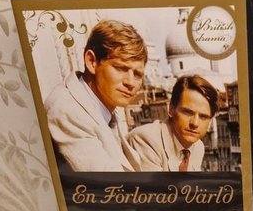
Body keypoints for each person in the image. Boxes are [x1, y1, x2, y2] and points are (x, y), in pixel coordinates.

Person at [44, 19, 147, 172]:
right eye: (120, 68)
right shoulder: (67, 110)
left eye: (137, 74)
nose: (130, 82)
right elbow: (111, 183)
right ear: (92, 61)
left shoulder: (102, 107)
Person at [127, 74, 219, 172]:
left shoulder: (198, 147)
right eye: (187, 112)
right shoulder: (145, 140)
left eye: (203, 117)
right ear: (171, 109)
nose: (195, 123)